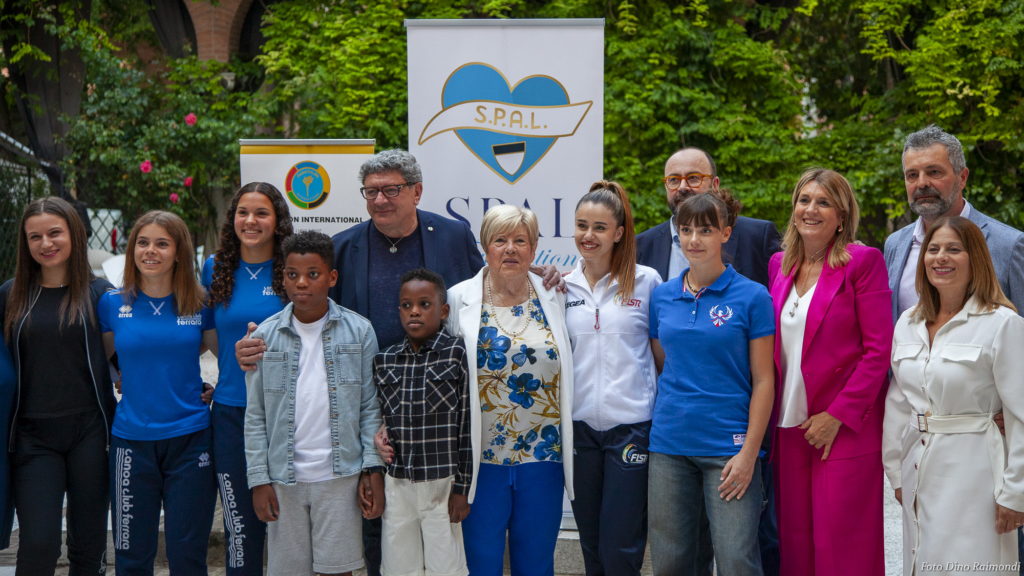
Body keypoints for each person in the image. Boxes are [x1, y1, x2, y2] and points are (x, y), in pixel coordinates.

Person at [235, 148, 562, 575]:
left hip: (442, 412)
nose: (381, 199)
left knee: (444, 537)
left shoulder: (452, 235)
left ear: (417, 191)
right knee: (380, 527)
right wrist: (254, 346)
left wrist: (544, 279)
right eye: (371, 191)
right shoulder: (344, 247)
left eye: (392, 189)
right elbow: (308, 319)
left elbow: (491, 285)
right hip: (370, 404)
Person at [636, 146, 782, 576]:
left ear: (726, 232)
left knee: (737, 560)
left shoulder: (753, 296)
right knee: (671, 562)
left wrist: (749, 452)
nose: (694, 239)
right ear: (676, 234)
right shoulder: (661, 295)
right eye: (686, 231)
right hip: (669, 447)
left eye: (705, 230)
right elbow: (667, 363)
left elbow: (764, 379)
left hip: (730, 449)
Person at [884, 216, 1024, 575]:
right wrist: (897, 475)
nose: (940, 257)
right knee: (922, 564)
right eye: (932, 249)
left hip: (977, 475)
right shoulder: (908, 323)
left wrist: (1016, 492)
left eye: (953, 249)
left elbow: (1020, 413)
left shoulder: (1002, 323)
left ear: (975, 257)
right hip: (918, 469)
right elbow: (899, 402)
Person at [768, 168, 891, 576]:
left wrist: (836, 415)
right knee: (796, 546)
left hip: (841, 427)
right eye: (804, 200)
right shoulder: (778, 265)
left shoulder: (863, 262)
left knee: (844, 548)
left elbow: (879, 350)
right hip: (789, 428)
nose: (811, 209)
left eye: (823, 202)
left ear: (842, 215)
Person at [243, 230, 385, 576]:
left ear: (332, 277)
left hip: (340, 477)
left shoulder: (360, 331)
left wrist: (372, 468)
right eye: (292, 275)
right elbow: (256, 415)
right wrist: (259, 478)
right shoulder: (264, 336)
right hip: (283, 479)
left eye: (313, 274)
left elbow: (370, 407)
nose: (301, 283)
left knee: (337, 570)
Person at [444, 204, 575, 576]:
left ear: (534, 248)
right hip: (480, 461)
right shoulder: (457, 300)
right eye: (500, 240)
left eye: (521, 240)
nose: (510, 249)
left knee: (536, 565)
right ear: (485, 246)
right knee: (480, 564)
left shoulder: (556, 295)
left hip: (543, 459)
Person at [99, 210, 219, 574]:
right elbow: (101, 361)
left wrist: (216, 387)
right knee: (132, 557)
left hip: (190, 439)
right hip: (131, 442)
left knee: (187, 555)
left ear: (179, 252)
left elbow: (223, 356)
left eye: (162, 243)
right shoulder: (111, 303)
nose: (150, 251)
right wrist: (126, 376)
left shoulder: (200, 302)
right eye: (143, 242)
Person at [0, 197, 114, 573]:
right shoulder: (10, 295)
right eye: (35, 237)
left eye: (54, 233)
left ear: (74, 235)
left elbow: (126, 356)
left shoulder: (101, 295)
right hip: (33, 437)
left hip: (91, 433)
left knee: (88, 545)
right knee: (38, 544)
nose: (45, 244)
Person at [564, 181, 662, 575]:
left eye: (600, 227)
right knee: (590, 543)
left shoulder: (648, 282)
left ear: (619, 233)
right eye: (581, 225)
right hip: (579, 429)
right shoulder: (560, 287)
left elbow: (660, 359)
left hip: (631, 428)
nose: (589, 236)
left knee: (620, 546)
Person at [202, 182, 293, 575]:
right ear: (232, 218)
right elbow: (206, 336)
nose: (251, 221)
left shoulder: (292, 264)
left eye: (261, 213)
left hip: (289, 414)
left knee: (290, 528)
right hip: (231, 413)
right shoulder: (214, 266)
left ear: (278, 220)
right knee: (241, 529)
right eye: (243, 212)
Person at [373, 268, 472, 576]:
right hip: (398, 483)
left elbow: (468, 425)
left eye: (424, 304)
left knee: (447, 568)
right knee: (398, 567)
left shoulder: (457, 354)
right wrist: (377, 439)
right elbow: (377, 418)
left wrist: (463, 489)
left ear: (443, 310)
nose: (414, 311)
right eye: (406, 305)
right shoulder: (384, 360)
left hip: (442, 484)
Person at [885, 124, 1024, 322]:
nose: (922, 183)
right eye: (912, 175)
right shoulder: (895, 244)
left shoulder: (1010, 246)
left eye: (934, 172)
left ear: (962, 178)